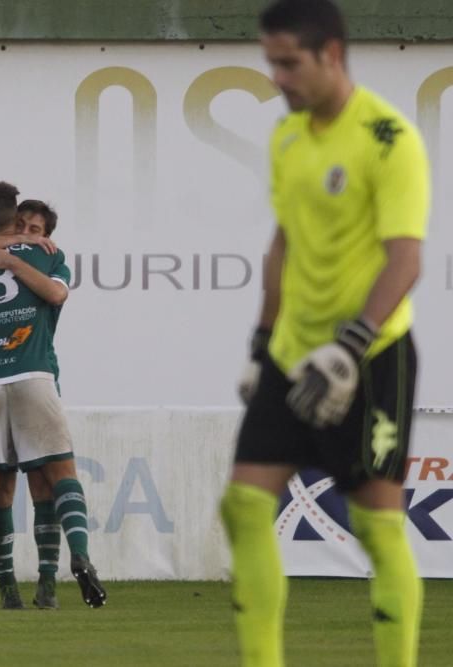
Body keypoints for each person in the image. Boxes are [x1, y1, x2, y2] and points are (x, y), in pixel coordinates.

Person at [222, 1, 429, 665]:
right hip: (290, 356)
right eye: (270, 62)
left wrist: (351, 344)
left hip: (370, 357)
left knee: (376, 522)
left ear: (330, 55)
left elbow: (406, 257)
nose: (277, 77)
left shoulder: (388, 138)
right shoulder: (287, 139)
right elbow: (282, 242)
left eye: (288, 63)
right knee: (245, 507)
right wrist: (262, 340)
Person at [0, 182, 106, 610]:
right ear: (15, 219)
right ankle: (78, 556)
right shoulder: (46, 255)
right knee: (60, 474)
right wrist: (18, 255)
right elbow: (56, 293)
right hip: (33, 374)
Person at [0, 200, 65, 609]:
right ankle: (6, 587)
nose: (26, 233)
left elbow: (55, 294)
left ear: (47, 238)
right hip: (6, 380)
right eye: (21, 225)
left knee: (42, 486)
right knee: (1, 488)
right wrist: (12, 246)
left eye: (35, 229)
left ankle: (46, 584)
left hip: (35, 376)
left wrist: (13, 257)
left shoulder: (46, 262)